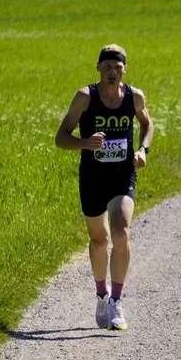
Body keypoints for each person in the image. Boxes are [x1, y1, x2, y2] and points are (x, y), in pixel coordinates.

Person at [54, 44, 153, 331]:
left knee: (122, 231)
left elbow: (147, 124)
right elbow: (60, 137)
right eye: (107, 66)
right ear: (98, 68)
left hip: (123, 176)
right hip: (93, 178)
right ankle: (101, 294)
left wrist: (143, 150)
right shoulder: (85, 97)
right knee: (99, 241)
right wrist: (85, 144)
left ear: (124, 70)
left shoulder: (134, 97)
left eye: (117, 67)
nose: (112, 72)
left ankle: (117, 302)